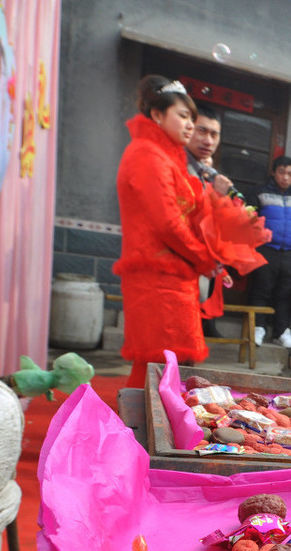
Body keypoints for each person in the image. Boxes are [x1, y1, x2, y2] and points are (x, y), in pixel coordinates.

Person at [113, 76, 264, 388]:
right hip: (159, 274)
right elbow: (167, 222)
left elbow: (187, 213)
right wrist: (206, 259)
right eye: (184, 117)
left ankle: (143, 429)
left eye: (192, 119)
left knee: (162, 364)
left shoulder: (164, 156)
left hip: (172, 274)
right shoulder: (148, 155)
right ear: (156, 115)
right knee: (157, 364)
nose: (190, 127)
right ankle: (140, 431)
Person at [249, 156, 291, 349]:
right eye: (281, 172)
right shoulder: (259, 193)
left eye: (290, 174)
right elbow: (247, 219)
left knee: (285, 294)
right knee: (261, 289)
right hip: (265, 250)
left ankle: (282, 332)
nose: (285, 177)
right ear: (274, 172)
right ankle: (258, 328)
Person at [185, 103, 235, 337]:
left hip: (198, 268)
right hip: (176, 266)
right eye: (201, 131)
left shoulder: (206, 174)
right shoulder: (176, 167)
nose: (208, 140)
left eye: (214, 134)